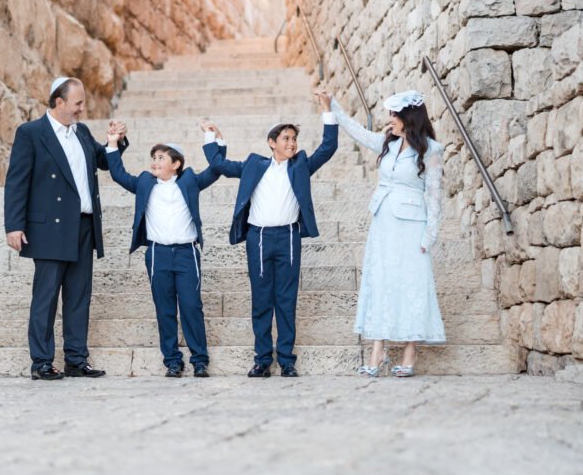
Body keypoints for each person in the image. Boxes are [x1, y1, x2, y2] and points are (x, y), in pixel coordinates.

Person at [202, 92, 337, 377]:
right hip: (259, 238)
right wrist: (213, 139)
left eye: (294, 139)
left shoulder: (300, 166)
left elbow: (327, 148)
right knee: (262, 300)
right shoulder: (255, 165)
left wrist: (327, 109)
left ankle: (287, 360)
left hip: (288, 238)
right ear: (271, 143)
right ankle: (262, 359)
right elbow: (219, 166)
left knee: (286, 300)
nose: (291, 143)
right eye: (285, 139)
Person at [3, 77, 128, 381]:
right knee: (46, 297)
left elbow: (103, 161)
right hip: (49, 229)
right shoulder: (31, 133)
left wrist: (114, 142)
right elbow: (16, 181)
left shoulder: (82, 132)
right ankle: (42, 362)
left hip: (83, 226)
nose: (82, 109)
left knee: (79, 296)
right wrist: (14, 225)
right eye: (78, 103)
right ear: (59, 103)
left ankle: (75, 358)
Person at [329, 90, 445, 378]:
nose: (390, 120)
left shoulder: (431, 149)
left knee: (411, 285)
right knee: (381, 281)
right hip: (383, 223)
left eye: (395, 115)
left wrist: (429, 236)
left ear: (409, 117)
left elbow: (434, 195)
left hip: (412, 224)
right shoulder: (387, 144)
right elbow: (356, 131)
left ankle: (409, 353)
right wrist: (331, 105)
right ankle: (377, 350)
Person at [105, 134, 226, 377]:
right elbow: (118, 174)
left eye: (161, 158)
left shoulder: (190, 180)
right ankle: (172, 360)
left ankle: (199, 360)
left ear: (176, 164)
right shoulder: (145, 183)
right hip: (157, 253)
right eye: (153, 158)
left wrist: (214, 140)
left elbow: (215, 171)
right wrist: (112, 144)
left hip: (186, 253)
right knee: (165, 307)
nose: (155, 162)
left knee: (191, 306)